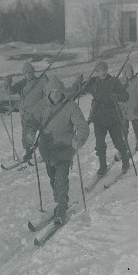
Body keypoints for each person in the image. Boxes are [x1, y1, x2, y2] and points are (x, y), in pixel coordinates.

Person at [36, 77, 90, 225]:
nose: (54, 94)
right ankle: (59, 199)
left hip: (65, 148)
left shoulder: (71, 106)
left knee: (61, 177)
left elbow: (82, 125)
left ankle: (61, 206)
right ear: (47, 93)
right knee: (52, 177)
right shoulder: (42, 106)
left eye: (57, 91)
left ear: (62, 92)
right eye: (51, 92)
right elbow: (32, 121)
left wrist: (79, 139)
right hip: (47, 150)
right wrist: (28, 134)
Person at [78, 61, 130, 175]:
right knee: (100, 144)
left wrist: (117, 96)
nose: (102, 72)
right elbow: (80, 91)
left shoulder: (114, 81)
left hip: (113, 115)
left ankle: (126, 161)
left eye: (104, 70)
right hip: (98, 117)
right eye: (100, 70)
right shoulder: (92, 82)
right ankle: (102, 166)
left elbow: (126, 96)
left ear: (107, 69)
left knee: (118, 141)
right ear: (96, 72)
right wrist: (79, 83)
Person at [5, 62, 49, 163]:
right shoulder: (22, 83)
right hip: (27, 115)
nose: (29, 74)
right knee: (27, 135)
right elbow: (10, 92)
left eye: (30, 72)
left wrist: (47, 80)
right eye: (26, 73)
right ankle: (28, 153)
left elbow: (49, 90)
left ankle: (45, 152)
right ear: (24, 74)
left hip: (41, 113)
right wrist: (7, 84)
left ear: (34, 72)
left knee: (44, 134)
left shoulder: (41, 81)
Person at [118, 63, 138, 152]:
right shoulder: (119, 81)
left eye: (130, 72)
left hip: (135, 109)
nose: (129, 74)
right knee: (123, 131)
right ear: (123, 73)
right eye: (126, 72)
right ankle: (123, 147)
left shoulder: (137, 80)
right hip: (123, 110)